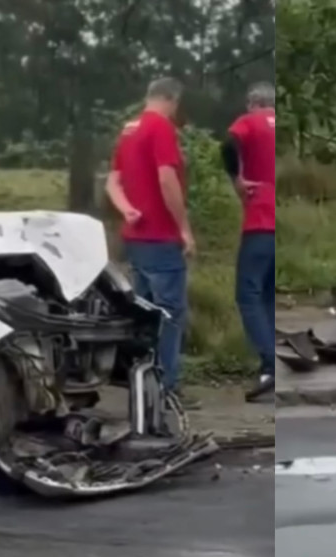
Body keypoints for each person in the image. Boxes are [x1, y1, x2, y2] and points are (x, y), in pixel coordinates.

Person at [106, 77, 197, 407]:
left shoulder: (129, 129)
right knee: (170, 314)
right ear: (172, 100)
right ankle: (166, 386)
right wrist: (184, 228)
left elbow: (113, 181)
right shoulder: (161, 128)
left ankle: (140, 382)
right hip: (161, 236)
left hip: (136, 238)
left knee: (143, 314)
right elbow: (166, 178)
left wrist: (127, 209)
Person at [221, 82, 276, 402]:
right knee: (267, 293)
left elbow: (228, 145)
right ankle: (269, 367)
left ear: (252, 103)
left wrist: (237, 180)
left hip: (260, 219)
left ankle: (269, 362)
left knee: (247, 293)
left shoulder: (251, 121)